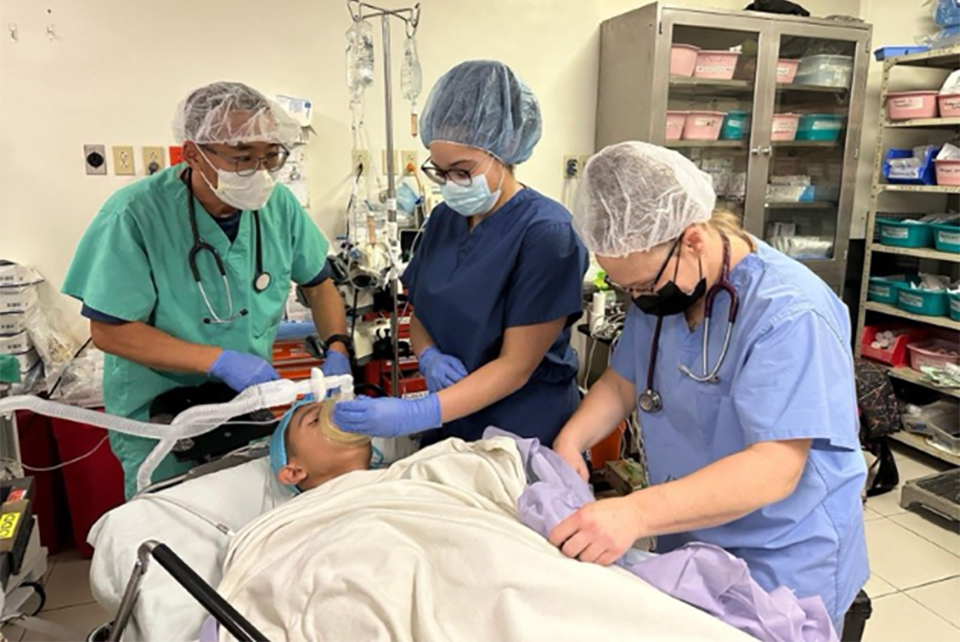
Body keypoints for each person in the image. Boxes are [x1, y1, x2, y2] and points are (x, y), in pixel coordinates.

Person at [549, 142, 868, 634]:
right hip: (693, 537)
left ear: (693, 240)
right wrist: (571, 441)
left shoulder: (789, 313)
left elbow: (774, 468)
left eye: (642, 288)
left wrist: (634, 512)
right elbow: (621, 382)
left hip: (781, 558)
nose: (638, 300)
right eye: (625, 289)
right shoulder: (667, 291)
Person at [63, 82, 352, 497]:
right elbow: (109, 331)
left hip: (244, 403)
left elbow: (319, 285)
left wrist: (337, 348)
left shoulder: (279, 207)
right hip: (162, 413)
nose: (260, 171)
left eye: (270, 156)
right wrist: (219, 360)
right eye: (242, 158)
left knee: (247, 508)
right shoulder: (134, 214)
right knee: (174, 520)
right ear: (193, 154)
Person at [333, 61, 588, 446]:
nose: (451, 183)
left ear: (504, 152)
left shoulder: (547, 234)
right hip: (454, 420)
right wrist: (429, 355)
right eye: (441, 171)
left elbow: (516, 367)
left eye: (462, 170)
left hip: (521, 428)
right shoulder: (444, 218)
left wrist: (419, 412)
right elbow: (421, 316)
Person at [269, 398, 373, 494]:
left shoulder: (387, 481)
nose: (341, 416)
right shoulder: (310, 513)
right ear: (295, 473)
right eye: (316, 419)